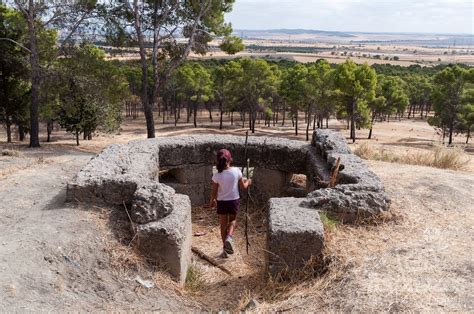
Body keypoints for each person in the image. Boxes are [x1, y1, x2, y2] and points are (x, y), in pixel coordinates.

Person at [209, 149, 251, 258]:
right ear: (230, 160)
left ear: (218, 161)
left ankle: (225, 250)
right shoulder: (237, 171)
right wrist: (249, 182)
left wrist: (212, 201)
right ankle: (229, 237)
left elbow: (214, 191)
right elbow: (243, 187)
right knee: (233, 221)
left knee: (223, 226)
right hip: (234, 201)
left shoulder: (216, 176)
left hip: (222, 202)